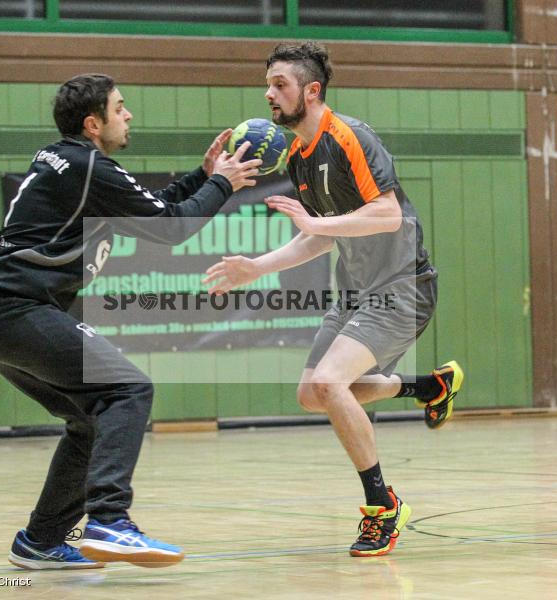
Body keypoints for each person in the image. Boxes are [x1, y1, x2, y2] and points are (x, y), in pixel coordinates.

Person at [0, 73, 260, 570]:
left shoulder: (72, 162)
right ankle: (109, 520)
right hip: (15, 307)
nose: (129, 115)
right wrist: (223, 183)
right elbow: (174, 228)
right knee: (128, 389)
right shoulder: (88, 167)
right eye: (120, 108)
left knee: (89, 420)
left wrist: (204, 175)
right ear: (93, 123)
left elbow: (156, 209)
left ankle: (40, 541)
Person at [203, 42, 464, 558]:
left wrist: (317, 223)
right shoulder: (299, 156)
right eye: (268, 84)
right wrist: (256, 267)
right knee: (312, 393)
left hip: (402, 288)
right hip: (356, 292)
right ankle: (430, 386)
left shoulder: (351, 137)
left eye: (279, 84)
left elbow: (387, 214)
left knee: (329, 383)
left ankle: (383, 506)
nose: (269, 93)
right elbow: (319, 238)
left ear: (312, 90)